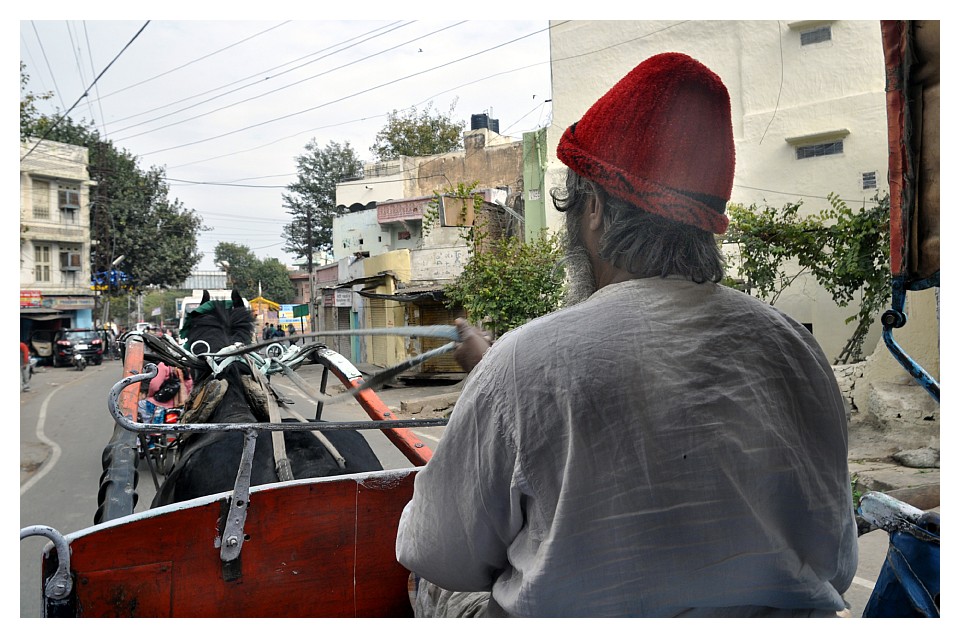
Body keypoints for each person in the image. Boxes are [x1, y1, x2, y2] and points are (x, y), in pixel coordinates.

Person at [396, 52, 858, 617]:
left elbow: (434, 550)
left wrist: (496, 377)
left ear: (593, 210)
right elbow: (839, 562)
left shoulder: (525, 362)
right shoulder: (794, 347)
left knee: (437, 585)